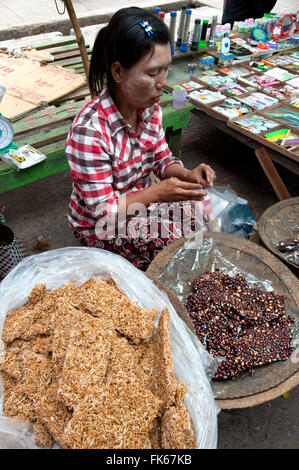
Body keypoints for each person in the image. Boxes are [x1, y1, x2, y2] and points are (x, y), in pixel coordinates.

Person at [65, 7, 216, 271]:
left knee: (199, 219)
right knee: (171, 246)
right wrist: (158, 193)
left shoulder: (150, 109)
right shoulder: (90, 132)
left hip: (143, 201)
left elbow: (161, 159)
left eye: (165, 71)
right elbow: (103, 212)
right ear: (117, 72)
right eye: (151, 73)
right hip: (100, 224)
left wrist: (187, 174)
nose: (162, 83)